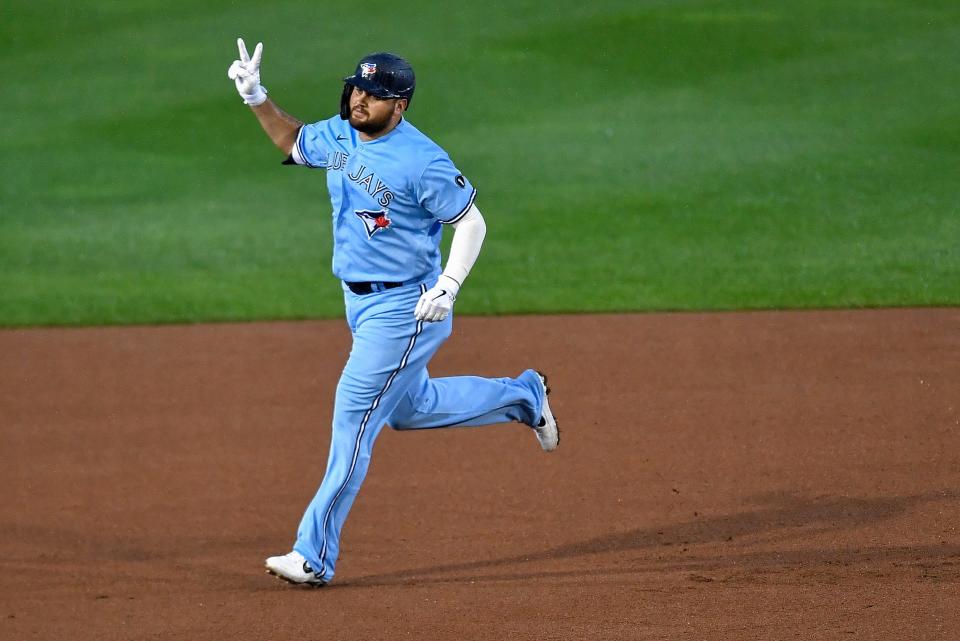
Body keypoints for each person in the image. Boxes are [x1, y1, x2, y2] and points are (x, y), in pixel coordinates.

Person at [227, 38, 559, 586]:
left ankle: (314, 556)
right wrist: (256, 96)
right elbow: (293, 139)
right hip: (358, 302)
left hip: (407, 307)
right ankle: (524, 395)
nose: (360, 99)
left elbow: (471, 222)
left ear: (399, 106)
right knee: (410, 408)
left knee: (353, 421)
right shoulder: (338, 132)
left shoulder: (422, 160)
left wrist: (448, 286)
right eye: (357, 87)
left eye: (375, 95)